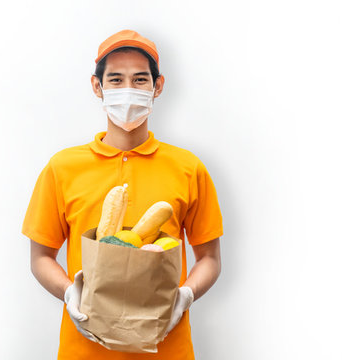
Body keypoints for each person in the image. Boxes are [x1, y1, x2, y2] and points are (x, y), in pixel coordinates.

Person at [22, 29, 224, 360]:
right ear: (96, 86)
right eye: (116, 79)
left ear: (157, 87)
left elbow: (210, 258)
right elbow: (40, 257)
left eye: (140, 79)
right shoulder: (62, 168)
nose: (128, 89)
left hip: (167, 350)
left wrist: (186, 294)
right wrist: (68, 293)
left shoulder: (188, 168)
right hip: (83, 351)